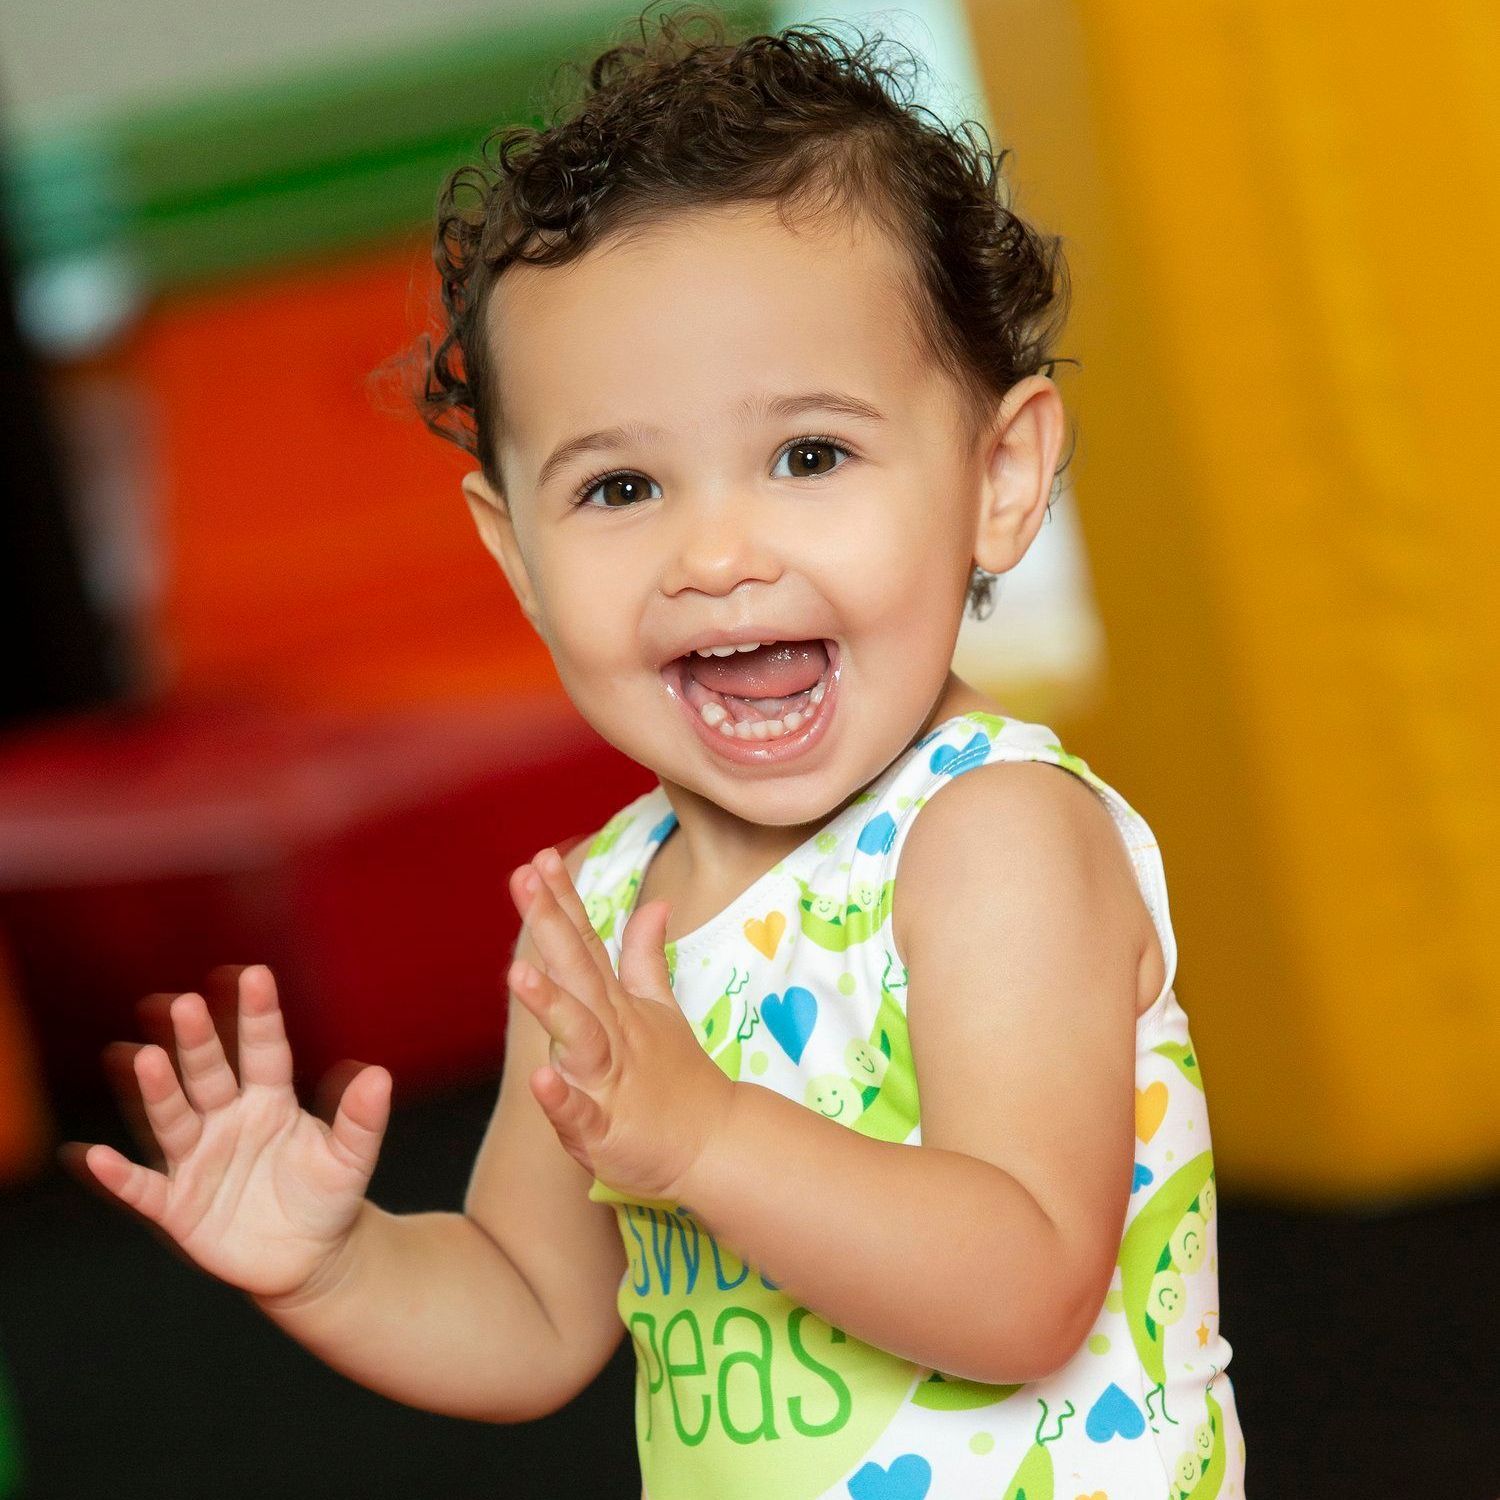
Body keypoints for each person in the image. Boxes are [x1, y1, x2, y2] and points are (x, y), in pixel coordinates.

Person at [72, 6, 1247, 1495]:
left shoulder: (994, 836)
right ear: (518, 555)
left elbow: (1025, 1286)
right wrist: (330, 1263)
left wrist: (704, 1142)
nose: (715, 553)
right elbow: (533, 1309)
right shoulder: (606, 911)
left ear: (1000, 477)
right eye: (621, 486)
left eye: (809, 456)